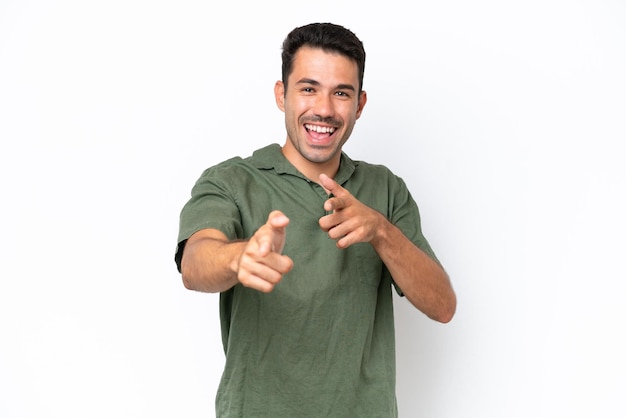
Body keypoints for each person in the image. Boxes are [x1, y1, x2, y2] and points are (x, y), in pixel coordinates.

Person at [175, 22, 456, 418]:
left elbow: (442, 305)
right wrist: (239, 258)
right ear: (281, 95)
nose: (324, 109)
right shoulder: (232, 181)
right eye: (308, 88)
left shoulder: (386, 188)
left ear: (359, 104)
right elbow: (195, 263)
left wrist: (380, 231)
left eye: (340, 93)